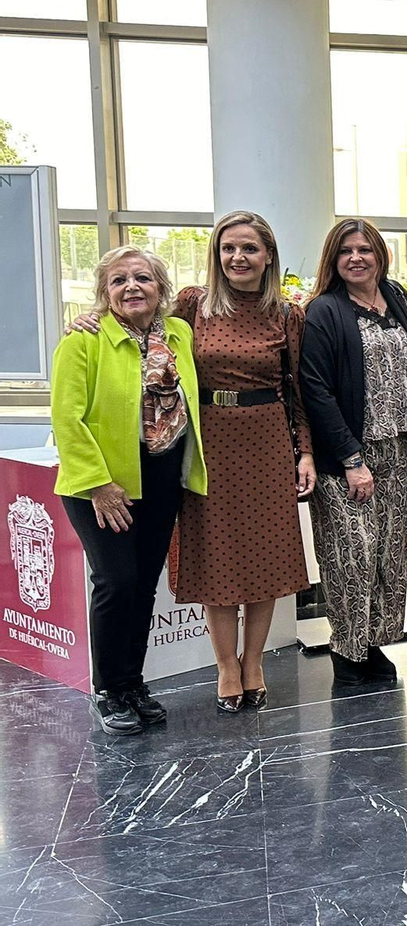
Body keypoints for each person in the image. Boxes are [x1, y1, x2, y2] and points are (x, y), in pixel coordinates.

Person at [63, 211, 316, 713]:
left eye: (249, 248)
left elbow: (298, 388)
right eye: (228, 248)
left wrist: (304, 450)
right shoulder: (193, 305)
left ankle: (253, 663)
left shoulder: (288, 314)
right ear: (215, 255)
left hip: (266, 440)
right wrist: (88, 318)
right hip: (206, 445)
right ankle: (224, 668)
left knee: (266, 555)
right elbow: (134, 325)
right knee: (216, 555)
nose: (238, 257)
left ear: (268, 256)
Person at [51, 247, 207, 734]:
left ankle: (132, 683)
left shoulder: (178, 333)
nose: (132, 287)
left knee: (143, 585)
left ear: (161, 287)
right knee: (115, 581)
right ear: (105, 291)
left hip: (161, 475)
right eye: (118, 280)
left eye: (143, 277)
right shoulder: (84, 340)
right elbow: (67, 419)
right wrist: (98, 484)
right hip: (103, 482)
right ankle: (108, 690)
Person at [300, 218, 407, 687]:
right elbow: (316, 390)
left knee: (390, 552)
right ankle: (346, 650)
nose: (356, 258)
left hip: (397, 447)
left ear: (380, 255)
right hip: (348, 454)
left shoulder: (396, 298)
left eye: (365, 249)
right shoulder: (324, 311)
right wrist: (352, 459)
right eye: (346, 251)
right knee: (351, 552)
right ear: (333, 259)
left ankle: (373, 642)